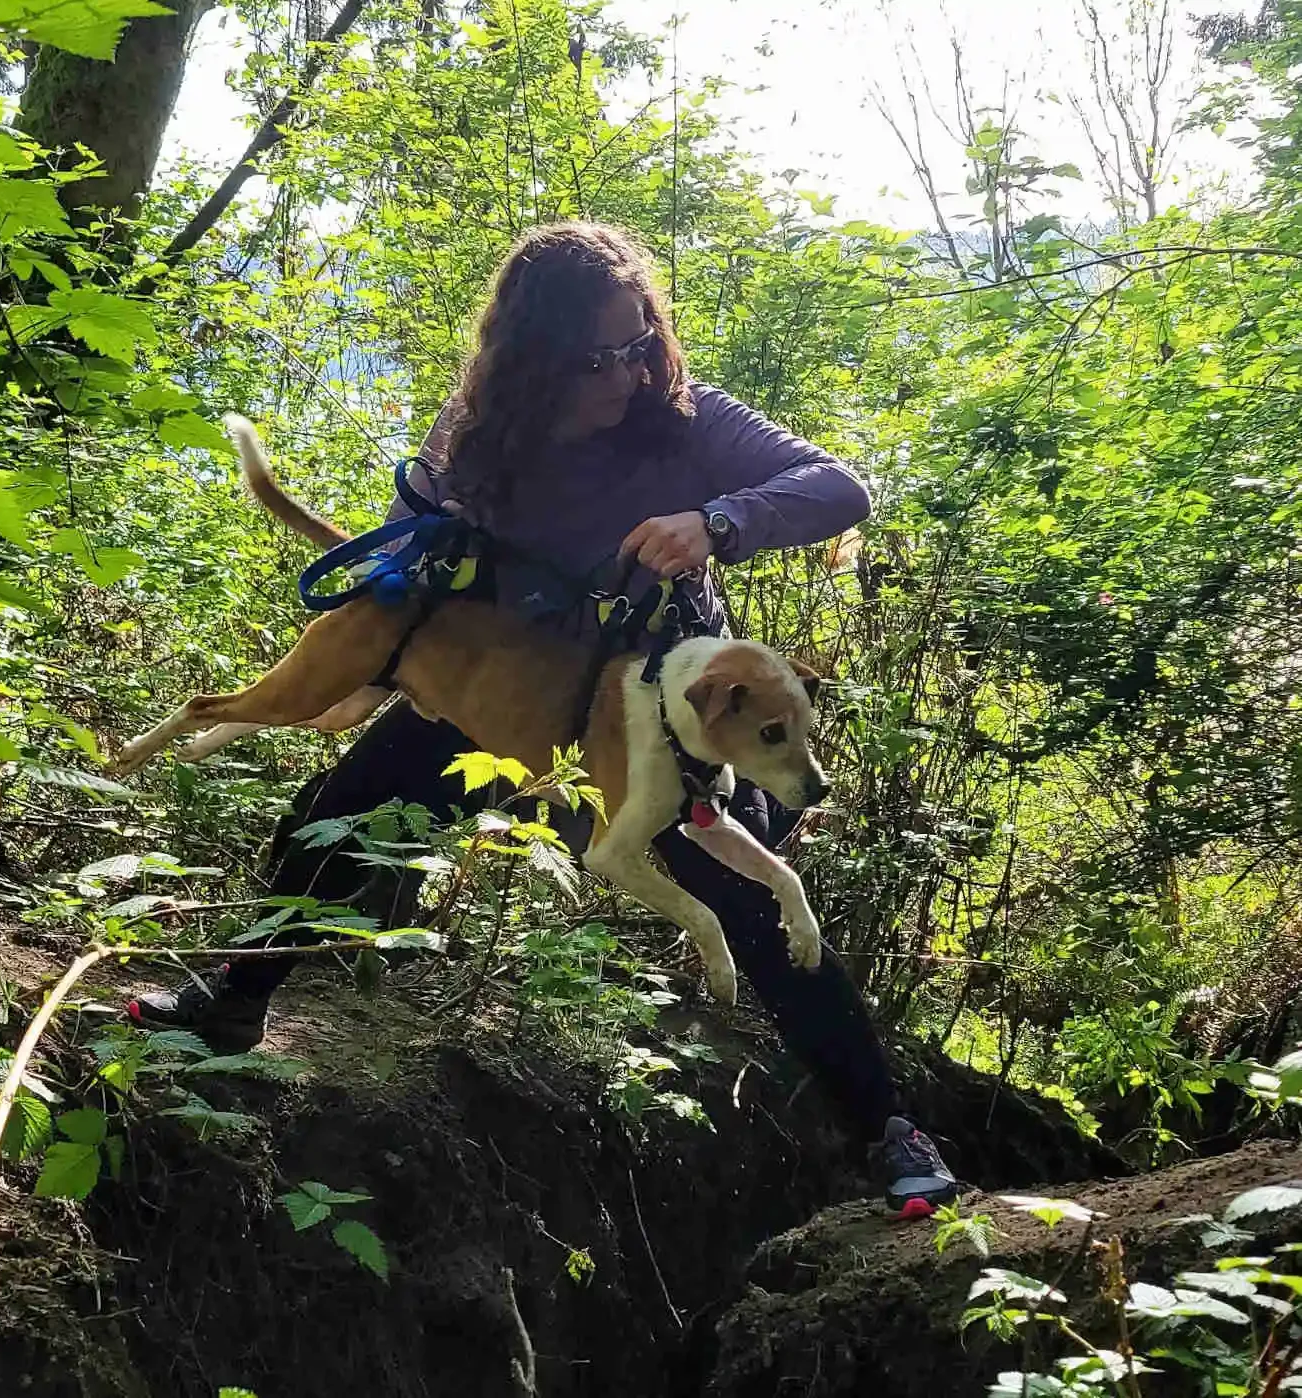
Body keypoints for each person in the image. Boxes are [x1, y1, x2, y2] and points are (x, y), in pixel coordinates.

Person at [129, 222, 960, 1218]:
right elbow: (412, 554)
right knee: (338, 811)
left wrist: (716, 523)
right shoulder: (476, 432)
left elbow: (838, 489)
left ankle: (890, 1130)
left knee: (752, 903)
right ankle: (236, 998)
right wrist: (385, 666)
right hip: (511, 686)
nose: (627, 374)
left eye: (639, 345)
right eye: (597, 358)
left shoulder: (685, 416)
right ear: (534, 358)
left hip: (661, 710)